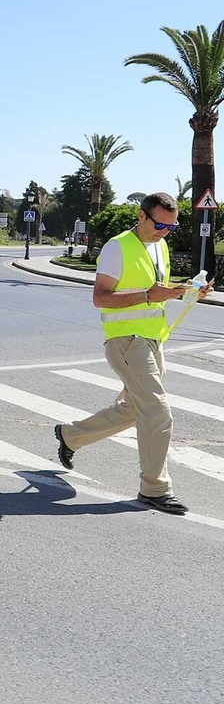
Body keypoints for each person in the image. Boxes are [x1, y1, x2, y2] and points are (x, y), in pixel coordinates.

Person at [53, 192, 211, 515]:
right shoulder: (116, 247)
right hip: (126, 341)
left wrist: (188, 291)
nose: (165, 231)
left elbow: (158, 294)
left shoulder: (160, 246)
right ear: (141, 216)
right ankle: (154, 488)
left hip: (152, 342)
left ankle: (69, 436)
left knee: (131, 410)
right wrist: (147, 295)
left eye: (171, 225)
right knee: (158, 412)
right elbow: (101, 297)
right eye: (159, 224)